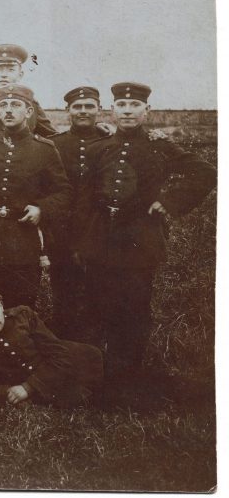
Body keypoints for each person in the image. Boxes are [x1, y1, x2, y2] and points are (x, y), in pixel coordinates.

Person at [73, 82, 216, 402]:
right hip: (101, 240)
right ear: (111, 110)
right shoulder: (99, 148)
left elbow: (204, 172)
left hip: (139, 241)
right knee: (97, 308)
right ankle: (98, 379)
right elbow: (84, 199)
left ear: (146, 111)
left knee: (134, 310)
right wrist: (82, 242)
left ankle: (128, 381)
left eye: (134, 105)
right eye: (121, 104)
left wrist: (169, 201)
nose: (126, 110)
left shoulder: (159, 146)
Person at [0, 84, 72, 308]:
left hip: (20, 238)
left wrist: (41, 208)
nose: (9, 110)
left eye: (16, 105)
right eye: (4, 106)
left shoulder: (44, 149)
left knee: (18, 304)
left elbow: (63, 192)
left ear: (29, 112)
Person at [0, 287, 103, 408]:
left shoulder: (22, 317)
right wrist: (5, 392)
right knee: (88, 400)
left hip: (66, 365)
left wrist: (29, 387)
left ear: (2, 306)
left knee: (105, 377)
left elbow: (60, 353)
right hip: (44, 385)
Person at [46, 87, 109, 340]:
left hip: (102, 233)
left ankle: (94, 357)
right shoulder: (55, 145)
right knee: (64, 296)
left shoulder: (111, 143)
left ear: (99, 109)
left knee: (99, 297)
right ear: (67, 110)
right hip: (63, 234)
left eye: (89, 106)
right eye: (77, 106)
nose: (83, 111)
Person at [0, 44, 56, 164]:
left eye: (11, 69)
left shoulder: (31, 105)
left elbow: (50, 138)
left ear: (20, 74)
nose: (4, 74)